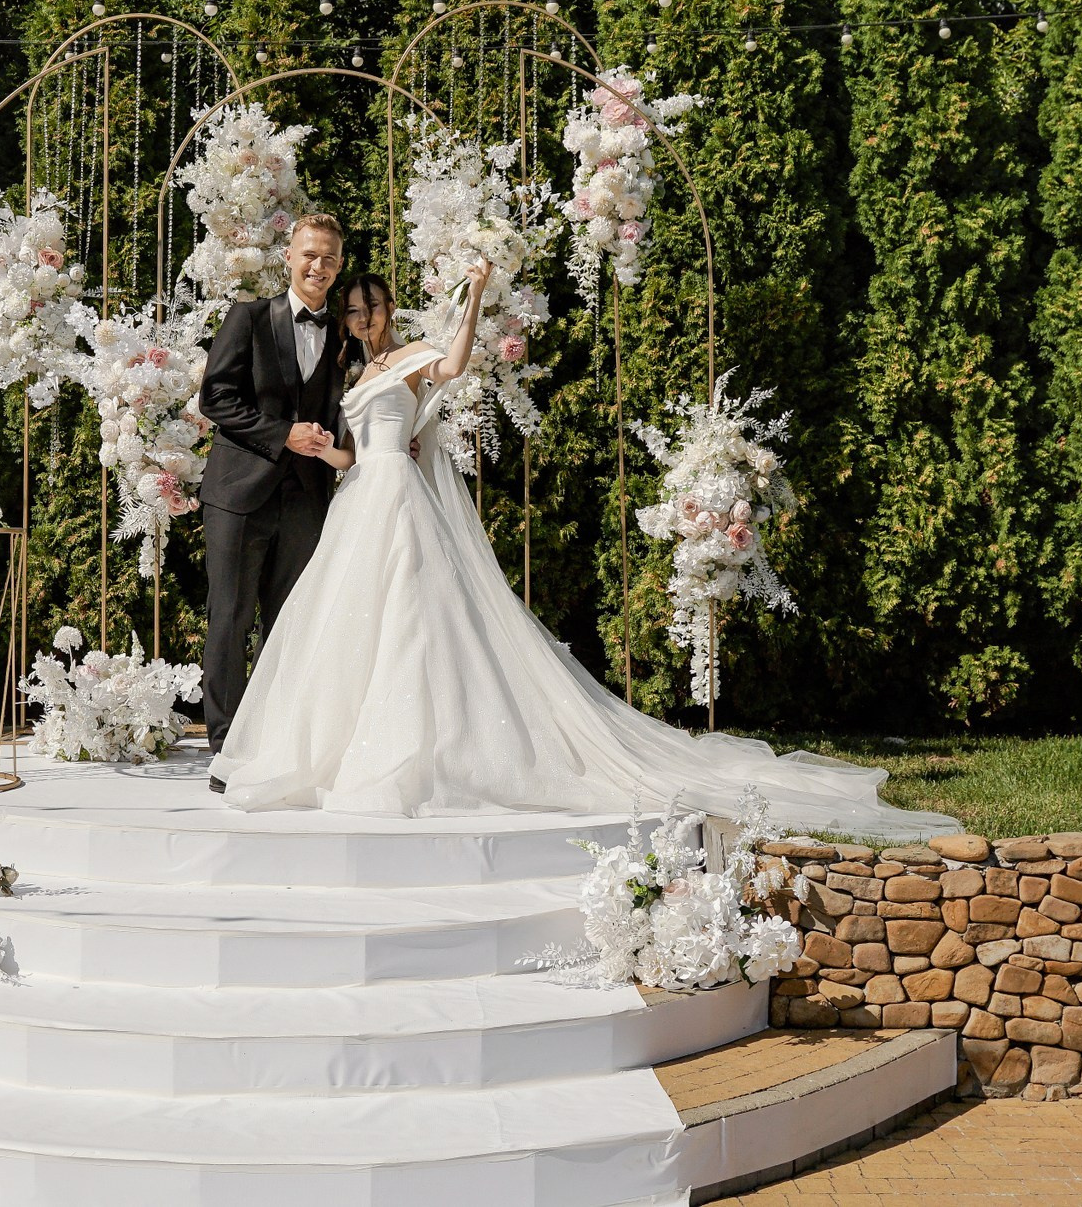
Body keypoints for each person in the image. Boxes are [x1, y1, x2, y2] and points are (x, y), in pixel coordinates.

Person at [208, 267, 959, 839]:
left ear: (387, 312)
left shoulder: (408, 356)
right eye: (354, 310)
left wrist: (472, 299)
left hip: (399, 499)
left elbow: (458, 366)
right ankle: (341, 743)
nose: (362, 317)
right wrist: (318, 451)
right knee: (347, 626)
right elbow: (347, 449)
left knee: (412, 616)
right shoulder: (349, 375)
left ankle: (416, 750)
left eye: (370, 308)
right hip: (358, 496)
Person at [193, 213, 348, 787]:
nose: (319, 266)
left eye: (330, 258)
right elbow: (216, 398)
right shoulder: (250, 318)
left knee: (289, 624)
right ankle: (226, 750)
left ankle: (278, 742)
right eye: (310, 254)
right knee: (230, 618)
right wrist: (281, 433)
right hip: (239, 494)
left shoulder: (342, 335)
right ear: (289, 255)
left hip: (308, 497)